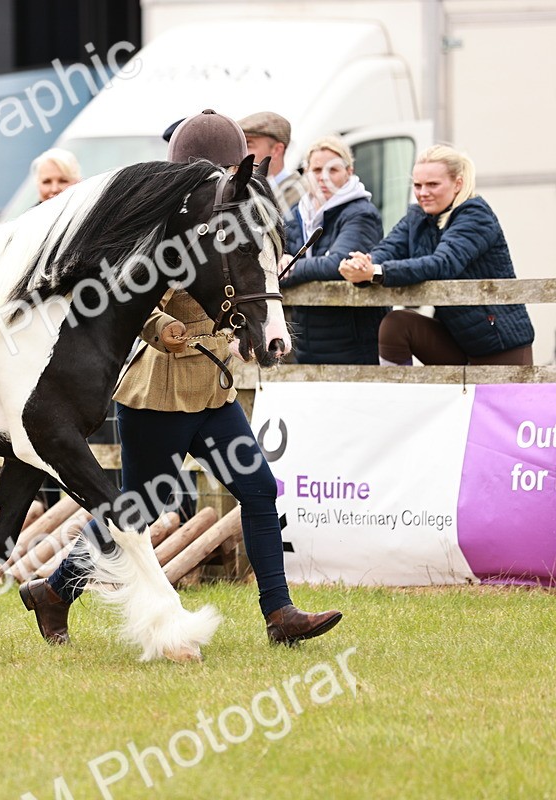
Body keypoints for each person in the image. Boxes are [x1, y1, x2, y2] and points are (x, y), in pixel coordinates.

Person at [20, 109, 342, 649]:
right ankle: (54, 592)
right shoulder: (153, 217)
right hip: (160, 391)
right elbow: (115, 293)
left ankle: (280, 614)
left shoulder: (232, 215)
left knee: (258, 488)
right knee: (138, 508)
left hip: (214, 388)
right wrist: (158, 323)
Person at [339, 145, 535, 365]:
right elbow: (387, 249)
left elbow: (443, 264)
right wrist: (361, 264)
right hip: (455, 337)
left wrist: (374, 272)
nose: (423, 193)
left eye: (432, 184)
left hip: (499, 342)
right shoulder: (417, 217)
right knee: (396, 324)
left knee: (506, 401)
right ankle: (396, 397)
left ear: (458, 184)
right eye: (417, 185)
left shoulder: (476, 215)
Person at [28, 148, 119, 507]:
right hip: (39, 358)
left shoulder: (98, 226)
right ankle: (53, 517)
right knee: (47, 442)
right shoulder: (26, 228)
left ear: (77, 183)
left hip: (92, 353)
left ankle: (97, 526)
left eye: (61, 180)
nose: (53, 189)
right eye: (46, 181)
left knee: (98, 446)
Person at [280, 136, 386, 364]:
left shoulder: (361, 212)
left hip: (352, 342)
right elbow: (273, 268)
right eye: (316, 169)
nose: (323, 177)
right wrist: (283, 264)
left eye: (333, 170)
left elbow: (338, 264)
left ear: (349, 171)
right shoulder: (296, 212)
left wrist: (292, 266)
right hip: (306, 341)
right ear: (306, 172)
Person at [239, 111, 308, 214]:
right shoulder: (239, 191)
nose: (240, 152)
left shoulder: (303, 194)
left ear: (276, 150)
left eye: (248, 145)